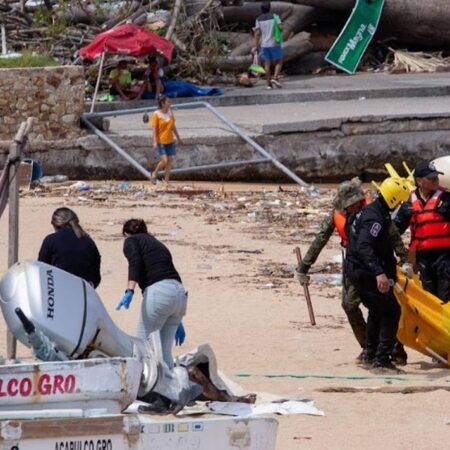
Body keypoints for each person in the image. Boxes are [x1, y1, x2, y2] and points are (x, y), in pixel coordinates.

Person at [296, 179, 410, 364]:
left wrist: (403, 259)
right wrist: (304, 267)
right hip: (355, 265)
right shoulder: (339, 214)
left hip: (373, 265)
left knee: (382, 308)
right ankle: (368, 347)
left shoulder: (373, 211)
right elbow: (321, 238)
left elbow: (393, 236)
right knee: (350, 305)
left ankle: (391, 349)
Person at [345, 177, 411, 372]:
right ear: (393, 200)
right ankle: (382, 360)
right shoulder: (374, 218)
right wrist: (379, 273)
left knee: (376, 310)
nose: (400, 205)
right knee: (392, 311)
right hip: (366, 273)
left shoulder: (375, 212)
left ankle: (369, 354)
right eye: (399, 201)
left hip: (359, 271)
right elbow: (364, 246)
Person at [116, 219, 186, 369]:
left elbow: (135, 263)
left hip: (160, 292)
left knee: (142, 347)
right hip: (179, 294)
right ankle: (170, 390)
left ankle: (142, 392)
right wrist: (178, 319)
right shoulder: (157, 244)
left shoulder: (131, 241)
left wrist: (129, 290)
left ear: (126, 234)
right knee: (165, 350)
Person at [394, 161, 450, 302]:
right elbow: (395, 231)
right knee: (429, 297)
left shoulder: (447, 199)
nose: (435, 180)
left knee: (445, 297)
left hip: (445, 257)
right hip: (423, 258)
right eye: (431, 178)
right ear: (419, 181)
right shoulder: (409, 204)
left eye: (436, 177)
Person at [38, 207, 101, 288]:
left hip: (59, 289)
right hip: (84, 290)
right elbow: (96, 274)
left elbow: (41, 269)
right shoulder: (88, 241)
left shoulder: (50, 240)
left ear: (55, 224)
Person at [150, 95, 182, 185]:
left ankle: (166, 181)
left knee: (169, 161)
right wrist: (154, 141)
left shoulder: (170, 112)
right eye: (168, 102)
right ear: (163, 103)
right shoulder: (156, 114)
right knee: (164, 160)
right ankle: (155, 173)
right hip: (161, 141)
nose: (170, 103)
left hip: (170, 140)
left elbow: (173, 127)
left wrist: (178, 138)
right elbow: (154, 129)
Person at [254, 1, 283, 89]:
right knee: (279, 61)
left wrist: (256, 46)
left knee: (267, 64)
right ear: (269, 8)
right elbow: (281, 28)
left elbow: (258, 33)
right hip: (275, 43)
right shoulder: (275, 17)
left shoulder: (258, 19)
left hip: (264, 44)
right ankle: (275, 78)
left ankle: (269, 84)